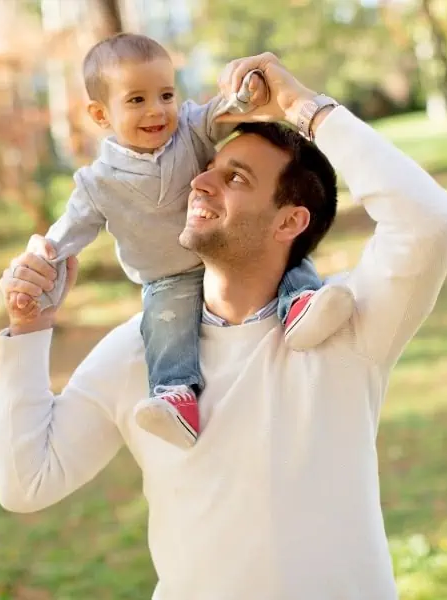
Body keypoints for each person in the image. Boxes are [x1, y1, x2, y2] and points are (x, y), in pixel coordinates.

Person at [0, 52, 447, 599]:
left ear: (290, 220)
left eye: (234, 177)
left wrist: (299, 106)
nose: (200, 184)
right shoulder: (138, 351)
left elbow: (427, 220)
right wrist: (30, 327)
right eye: (206, 170)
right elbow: (28, 483)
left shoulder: (347, 325)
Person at [35, 33, 354, 449]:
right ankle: (175, 396)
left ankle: (302, 304)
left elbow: (224, 112)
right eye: (136, 101)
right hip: (167, 274)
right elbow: (70, 229)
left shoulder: (189, 129)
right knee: (166, 326)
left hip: (222, 248)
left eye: (165, 94)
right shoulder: (98, 182)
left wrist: (246, 93)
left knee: (280, 251)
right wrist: (45, 256)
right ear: (100, 115)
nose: (157, 111)